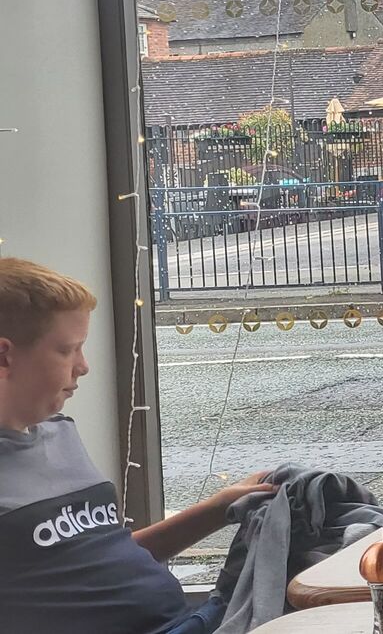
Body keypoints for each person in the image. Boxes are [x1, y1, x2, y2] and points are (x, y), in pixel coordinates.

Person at [0, 257, 275, 634]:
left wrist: (219, 508)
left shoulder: (61, 433)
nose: (83, 366)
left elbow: (107, 556)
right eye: (68, 349)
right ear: (4, 356)